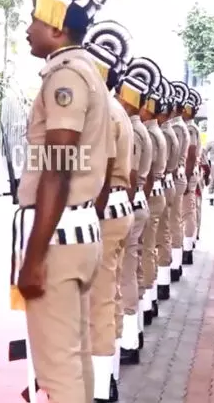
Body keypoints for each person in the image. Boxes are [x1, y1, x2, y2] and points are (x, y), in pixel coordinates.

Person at [13, 0, 114, 403]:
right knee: (72, 359)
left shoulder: (66, 76)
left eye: (34, 20)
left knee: (57, 369)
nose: (27, 29)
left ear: (55, 26)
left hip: (57, 237)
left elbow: (57, 168)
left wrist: (34, 256)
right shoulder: (88, 73)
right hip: (77, 230)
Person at [84, 20, 136, 401]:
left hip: (105, 211)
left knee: (99, 299)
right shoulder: (117, 109)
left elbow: (100, 175)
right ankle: (109, 372)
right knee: (111, 292)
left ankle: (101, 386)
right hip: (120, 207)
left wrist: (90, 215)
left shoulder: (101, 109)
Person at [112, 68, 155, 366]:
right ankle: (131, 332)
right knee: (131, 266)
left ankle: (127, 340)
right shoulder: (137, 128)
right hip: (136, 202)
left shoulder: (132, 130)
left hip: (127, 202)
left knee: (123, 273)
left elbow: (130, 175)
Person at [131, 58, 166, 325]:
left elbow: (140, 174)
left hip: (143, 194)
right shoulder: (150, 131)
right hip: (150, 193)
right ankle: (148, 301)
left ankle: (137, 318)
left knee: (137, 257)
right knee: (147, 248)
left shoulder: (139, 132)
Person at [155, 77, 179, 300]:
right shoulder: (163, 132)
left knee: (155, 239)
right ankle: (159, 284)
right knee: (162, 233)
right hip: (165, 185)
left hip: (159, 187)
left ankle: (158, 288)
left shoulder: (161, 133)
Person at [169, 82, 191, 281]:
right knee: (174, 221)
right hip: (178, 177)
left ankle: (174, 267)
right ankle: (173, 266)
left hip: (174, 177)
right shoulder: (179, 126)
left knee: (172, 222)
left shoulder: (176, 127)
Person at [181, 89, 203, 265]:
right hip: (190, 171)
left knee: (187, 212)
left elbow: (191, 153)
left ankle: (187, 250)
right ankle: (187, 245)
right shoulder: (189, 126)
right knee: (188, 211)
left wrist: (187, 179)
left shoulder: (189, 128)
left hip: (188, 172)